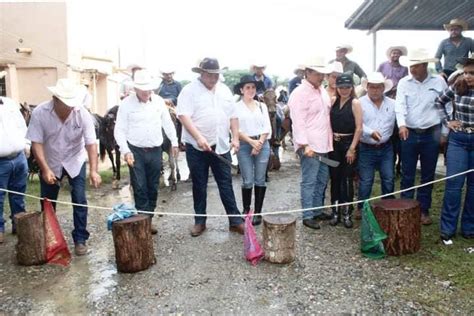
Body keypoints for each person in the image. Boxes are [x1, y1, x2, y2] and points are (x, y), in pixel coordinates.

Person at [26, 79, 101, 256]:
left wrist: (94, 170)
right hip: (51, 160)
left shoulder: (81, 113)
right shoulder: (40, 113)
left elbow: (91, 144)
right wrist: (44, 169)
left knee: (80, 199)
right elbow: (36, 143)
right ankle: (50, 238)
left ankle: (80, 239)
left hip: (75, 159)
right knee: (48, 202)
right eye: (66, 103)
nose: (70, 107)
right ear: (55, 99)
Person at [177, 57, 244, 237]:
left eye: (216, 75)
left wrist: (235, 138)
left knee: (225, 183)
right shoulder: (189, 91)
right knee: (199, 183)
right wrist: (198, 137)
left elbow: (233, 116)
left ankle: (235, 220)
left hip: (220, 144)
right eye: (210, 75)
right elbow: (184, 116)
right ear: (202, 73)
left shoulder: (224, 90)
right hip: (196, 147)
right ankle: (200, 221)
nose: (213, 78)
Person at [114, 69, 178, 235]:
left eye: (149, 89)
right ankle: (143, 222)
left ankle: (148, 218)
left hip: (155, 149)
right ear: (136, 89)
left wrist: (175, 142)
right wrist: (125, 150)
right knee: (139, 186)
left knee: (153, 186)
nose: (146, 92)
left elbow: (167, 124)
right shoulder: (126, 104)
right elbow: (119, 129)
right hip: (135, 151)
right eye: (143, 89)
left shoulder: (158, 102)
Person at [396, 49, 447, 225]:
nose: (412, 69)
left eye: (416, 66)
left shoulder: (439, 82)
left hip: (431, 133)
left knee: (427, 174)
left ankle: (423, 210)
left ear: (425, 65)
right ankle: (406, 208)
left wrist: (445, 132)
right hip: (409, 132)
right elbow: (400, 105)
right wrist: (401, 124)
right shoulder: (404, 83)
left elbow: (447, 106)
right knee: (407, 173)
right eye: (411, 66)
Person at [288, 57, 333, 230]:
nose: (321, 76)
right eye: (317, 73)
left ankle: (317, 209)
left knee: (322, 178)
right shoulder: (299, 93)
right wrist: (304, 144)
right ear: (307, 73)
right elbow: (298, 122)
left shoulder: (321, 90)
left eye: (322, 73)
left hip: (323, 142)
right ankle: (307, 214)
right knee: (309, 180)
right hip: (310, 144)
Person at [435, 53, 474, 245]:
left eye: (472, 73)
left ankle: (469, 228)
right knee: (454, 186)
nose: (468, 76)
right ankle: (447, 229)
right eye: (466, 72)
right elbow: (438, 102)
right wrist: (447, 121)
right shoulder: (457, 86)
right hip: (458, 139)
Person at [233, 75, 272, 226]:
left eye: (253, 87)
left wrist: (260, 143)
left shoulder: (262, 106)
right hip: (244, 144)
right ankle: (246, 209)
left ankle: (258, 212)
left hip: (262, 143)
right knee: (247, 179)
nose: (251, 90)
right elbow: (235, 129)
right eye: (247, 87)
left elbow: (267, 127)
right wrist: (251, 142)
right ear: (241, 90)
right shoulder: (235, 107)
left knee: (260, 179)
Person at [357, 73, 396, 218]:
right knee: (366, 180)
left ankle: (388, 207)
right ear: (367, 87)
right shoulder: (359, 103)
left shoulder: (392, 104)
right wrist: (370, 132)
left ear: (383, 88)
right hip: (366, 147)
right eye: (372, 87)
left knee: (388, 177)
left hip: (386, 147)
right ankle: (361, 208)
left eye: (378, 87)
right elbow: (358, 123)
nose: (375, 90)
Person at [328, 73, 362, 228]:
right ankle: (335, 211)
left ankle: (347, 211)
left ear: (351, 87)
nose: (344, 90)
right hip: (334, 144)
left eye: (347, 87)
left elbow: (359, 128)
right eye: (341, 87)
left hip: (349, 143)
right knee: (334, 177)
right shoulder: (333, 101)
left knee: (347, 178)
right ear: (337, 87)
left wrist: (352, 148)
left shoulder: (355, 103)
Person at [0, 97, 29, 243]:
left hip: (19, 157)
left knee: (18, 193)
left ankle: (19, 224)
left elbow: (21, 125)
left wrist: (26, 144)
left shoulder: (9, 103)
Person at [155, 68, 184, 150]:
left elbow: (182, 98)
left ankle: (181, 141)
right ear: (163, 75)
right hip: (160, 105)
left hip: (173, 106)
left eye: (170, 74)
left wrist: (171, 100)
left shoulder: (177, 84)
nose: (169, 76)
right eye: (166, 74)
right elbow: (154, 95)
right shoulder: (160, 85)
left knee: (181, 119)